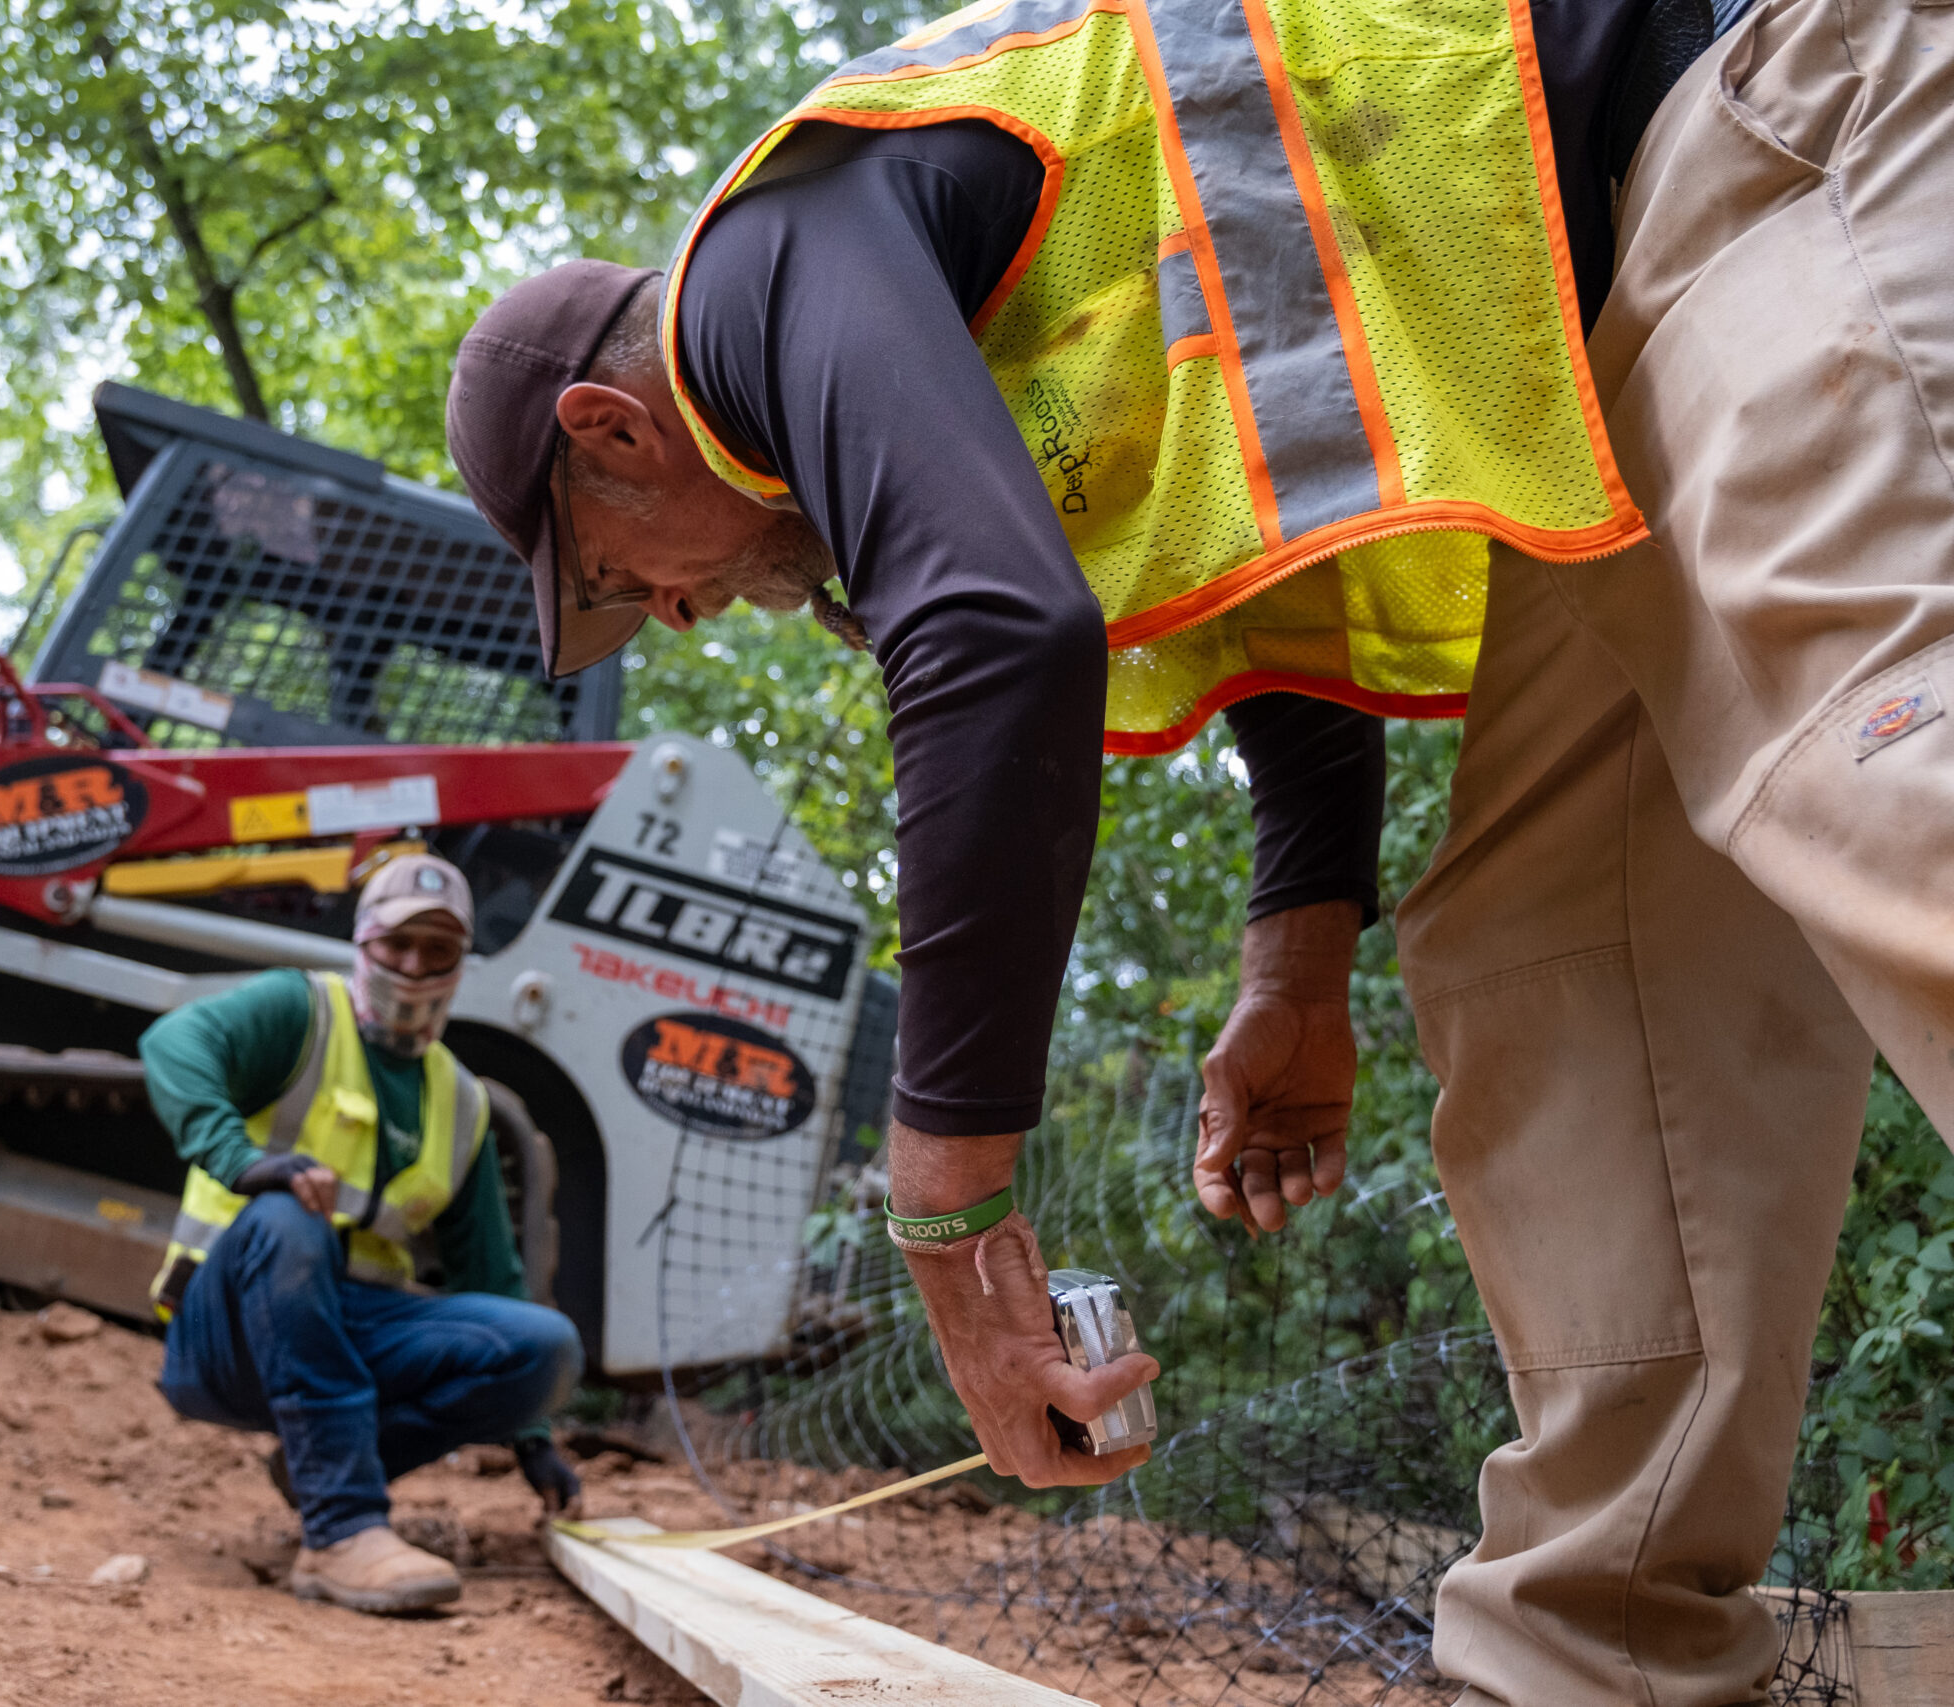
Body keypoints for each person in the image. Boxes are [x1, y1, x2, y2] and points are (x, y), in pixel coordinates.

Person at [441, 0, 1953, 1693]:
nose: (674, 612)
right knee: (1556, 948)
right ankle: (1600, 1657)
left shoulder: (761, 261)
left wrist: (950, 1217)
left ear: (611, 429)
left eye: (619, 574)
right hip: (1596, 340)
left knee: (1881, 747)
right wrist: (1297, 965)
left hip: (1775, 102)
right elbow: (1276, 535)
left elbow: (994, 632)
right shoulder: (969, 335)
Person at [142, 853, 586, 1615]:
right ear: (364, 941)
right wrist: (242, 1160)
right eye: (397, 943)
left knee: (546, 1347)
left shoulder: (462, 1103)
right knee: (290, 1216)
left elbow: (491, 1275)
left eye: (437, 950)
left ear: (460, 963)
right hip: (227, 1336)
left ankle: (317, 1465)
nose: (413, 966)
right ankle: (340, 1528)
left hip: (351, 1330)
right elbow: (172, 1043)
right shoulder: (299, 1011)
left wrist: (533, 1433)